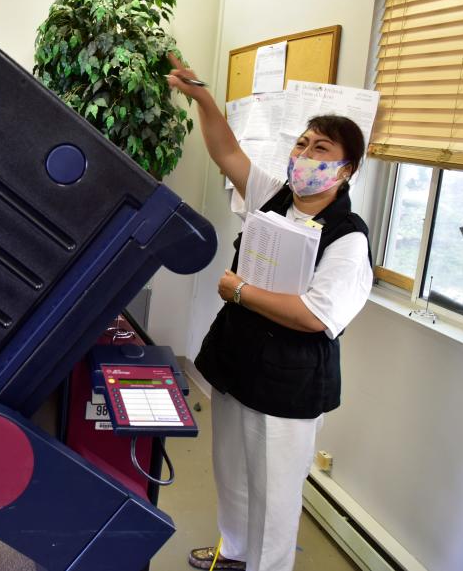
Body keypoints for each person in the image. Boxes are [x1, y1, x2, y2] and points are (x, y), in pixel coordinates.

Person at [166, 53, 372, 571]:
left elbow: (314, 316)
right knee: (232, 474)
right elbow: (226, 150)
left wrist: (239, 291)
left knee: (274, 494)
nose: (305, 154)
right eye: (302, 143)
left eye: (320, 148)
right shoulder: (273, 197)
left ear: (345, 170)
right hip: (238, 363)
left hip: (290, 383)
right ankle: (233, 555)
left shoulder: (348, 239)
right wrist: (203, 97)